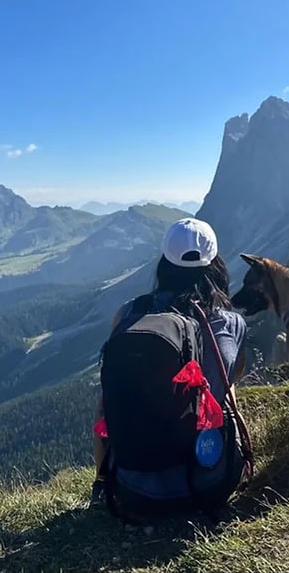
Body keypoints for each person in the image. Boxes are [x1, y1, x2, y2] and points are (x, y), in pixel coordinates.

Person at [91, 217, 249, 516]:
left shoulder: (130, 314)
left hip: (133, 488)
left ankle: (101, 485)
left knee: (104, 405)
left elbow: (108, 401)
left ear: (164, 262)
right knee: (226, 397)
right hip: (212, 484)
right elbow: (231, 380)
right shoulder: (233, 324)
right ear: (216, 264)